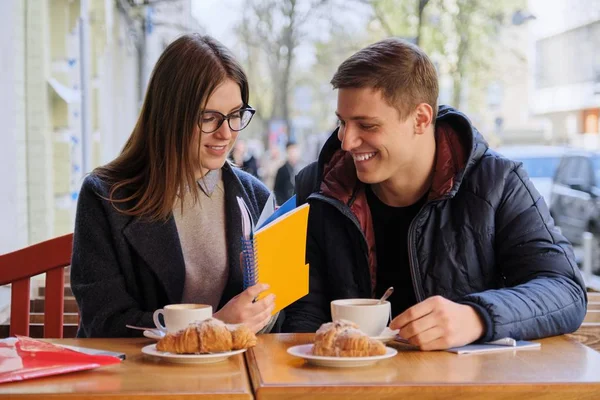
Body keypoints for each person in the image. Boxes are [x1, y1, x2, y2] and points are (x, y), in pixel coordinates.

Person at [283, 38, 587, 350]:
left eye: (367, 125)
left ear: (421, 118)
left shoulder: (498, 183)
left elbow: (565, 290)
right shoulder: (318, 187)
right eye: (343, 123)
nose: (346, 142)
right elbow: (304, 316)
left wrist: (476, 317)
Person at [71, 34, 278, 338]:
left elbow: (281, 308)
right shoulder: (105, 197)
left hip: (233, 375)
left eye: (235, 115)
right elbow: (105, 320)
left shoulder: (255, 197)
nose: (226, 133)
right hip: (139, 375)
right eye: (209, 118)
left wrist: (265, 314)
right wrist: (213, 328)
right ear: (171, 115)